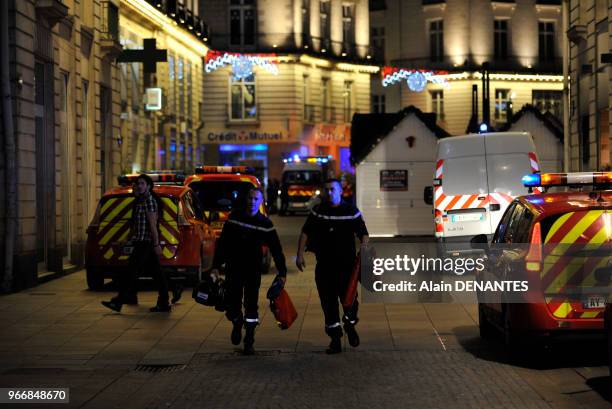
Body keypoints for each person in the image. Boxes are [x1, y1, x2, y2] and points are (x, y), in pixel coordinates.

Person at [211, 188, 288, 355]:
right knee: (232, 303)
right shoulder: (234, 218)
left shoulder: (265, 223)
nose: (252, 201)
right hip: (233, 267)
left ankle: (249, 340)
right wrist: (215, 266)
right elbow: (223, 243)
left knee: (251, 304)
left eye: (256, 199)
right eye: (250, 198)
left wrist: (282, 272)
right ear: (247, 199)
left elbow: (276, 248)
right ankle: (237, 322)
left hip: (253, 270)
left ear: (261, 202)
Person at [296, 178, 369, 354]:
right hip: (325, 268)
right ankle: (335, 339)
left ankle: (350, 326)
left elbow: (363, 234)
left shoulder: (351, 211)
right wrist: (299, 255)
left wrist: (365, 253)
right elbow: (305, 233)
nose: (329, 193)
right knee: (328, 304)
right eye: (326, 189)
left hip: (347, 267)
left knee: (350, 301)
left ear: (340, 191)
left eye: (333, 189)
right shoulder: (318, 211)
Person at [101, 174, 173, 313]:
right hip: (140, 242)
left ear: (148, 186)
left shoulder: (150, 201)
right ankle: (164, 301)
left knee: (131, 271)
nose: (139, 186)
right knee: (157, 274)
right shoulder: (140, 201)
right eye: (138, 183)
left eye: (142, 183)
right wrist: (127, 240)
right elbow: (136, 226)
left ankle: (119, 301)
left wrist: (157, 244)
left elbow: (153, 226)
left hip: (146, 244)